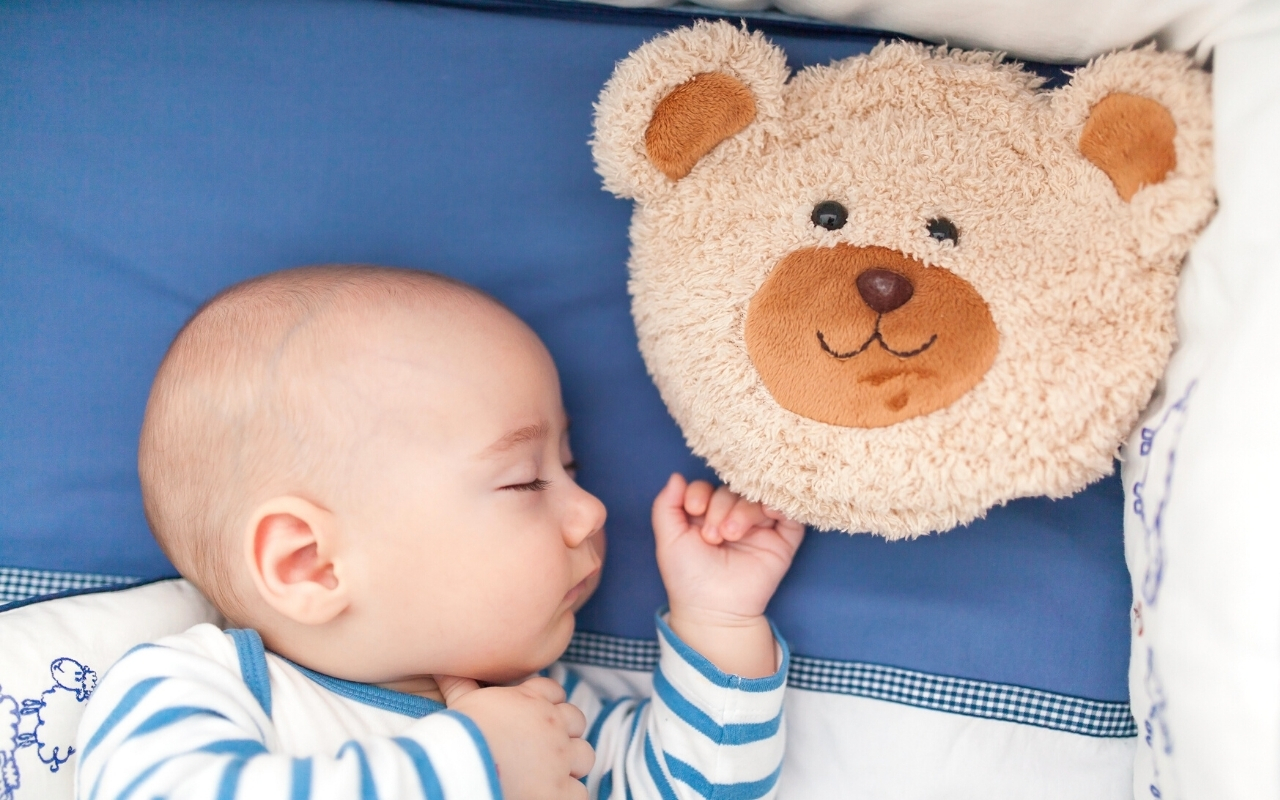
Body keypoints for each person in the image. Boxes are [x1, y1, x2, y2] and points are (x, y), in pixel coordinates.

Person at [73, 265, 805, 800]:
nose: (591, 510)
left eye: (570, 466)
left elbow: (699, 788)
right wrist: (477, 766)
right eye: (525, 482)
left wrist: (718, 621)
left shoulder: (548, 710)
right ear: (311, 564)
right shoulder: (207, 688)